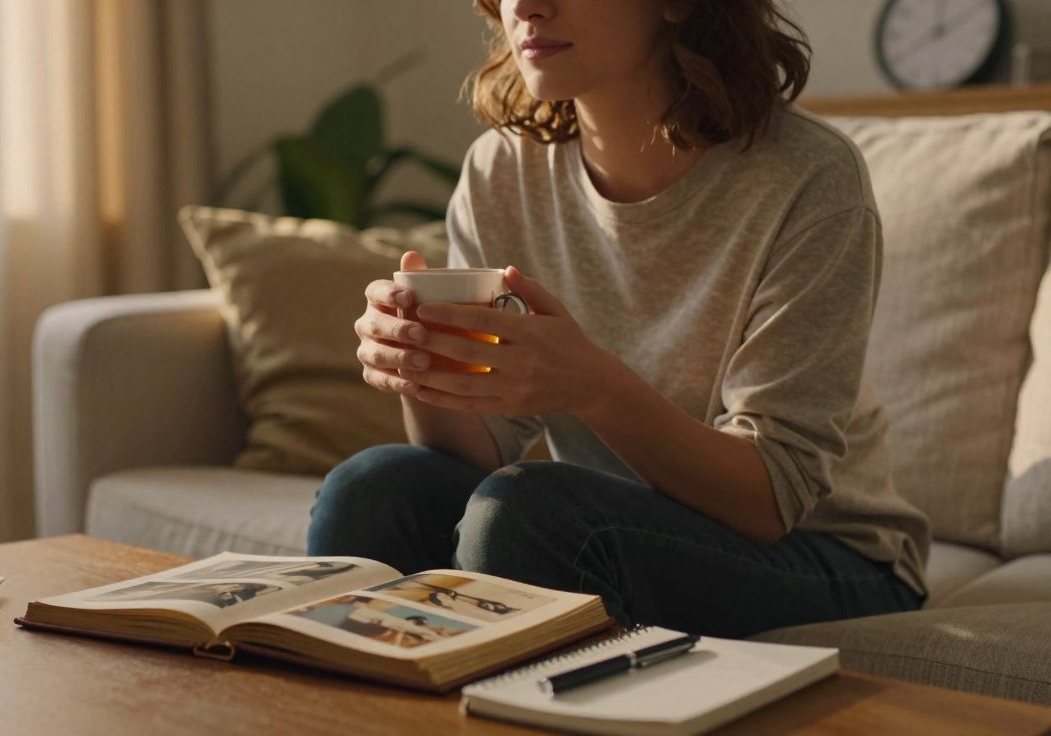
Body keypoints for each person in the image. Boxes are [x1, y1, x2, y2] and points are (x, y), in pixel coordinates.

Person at [308, 0, 932, 639]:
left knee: (526, 513)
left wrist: (592, 387)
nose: (525, 6)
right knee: (374, 487)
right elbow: (472, 452)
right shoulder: (503, 170)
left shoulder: (808, 179)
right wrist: (423, 364)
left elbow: (770, 497)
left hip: (830, 556)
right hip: (606, 525)